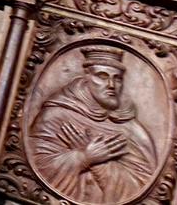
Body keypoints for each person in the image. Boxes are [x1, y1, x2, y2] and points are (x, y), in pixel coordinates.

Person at [27, 47, 158, 202]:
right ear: (86, 77)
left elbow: (142, 188)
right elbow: (36, 168)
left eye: (117, 78)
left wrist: (100, 165)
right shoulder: (56, 116)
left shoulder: (132, 129)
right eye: (102, 76)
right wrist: (84, 157)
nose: (111, 85)